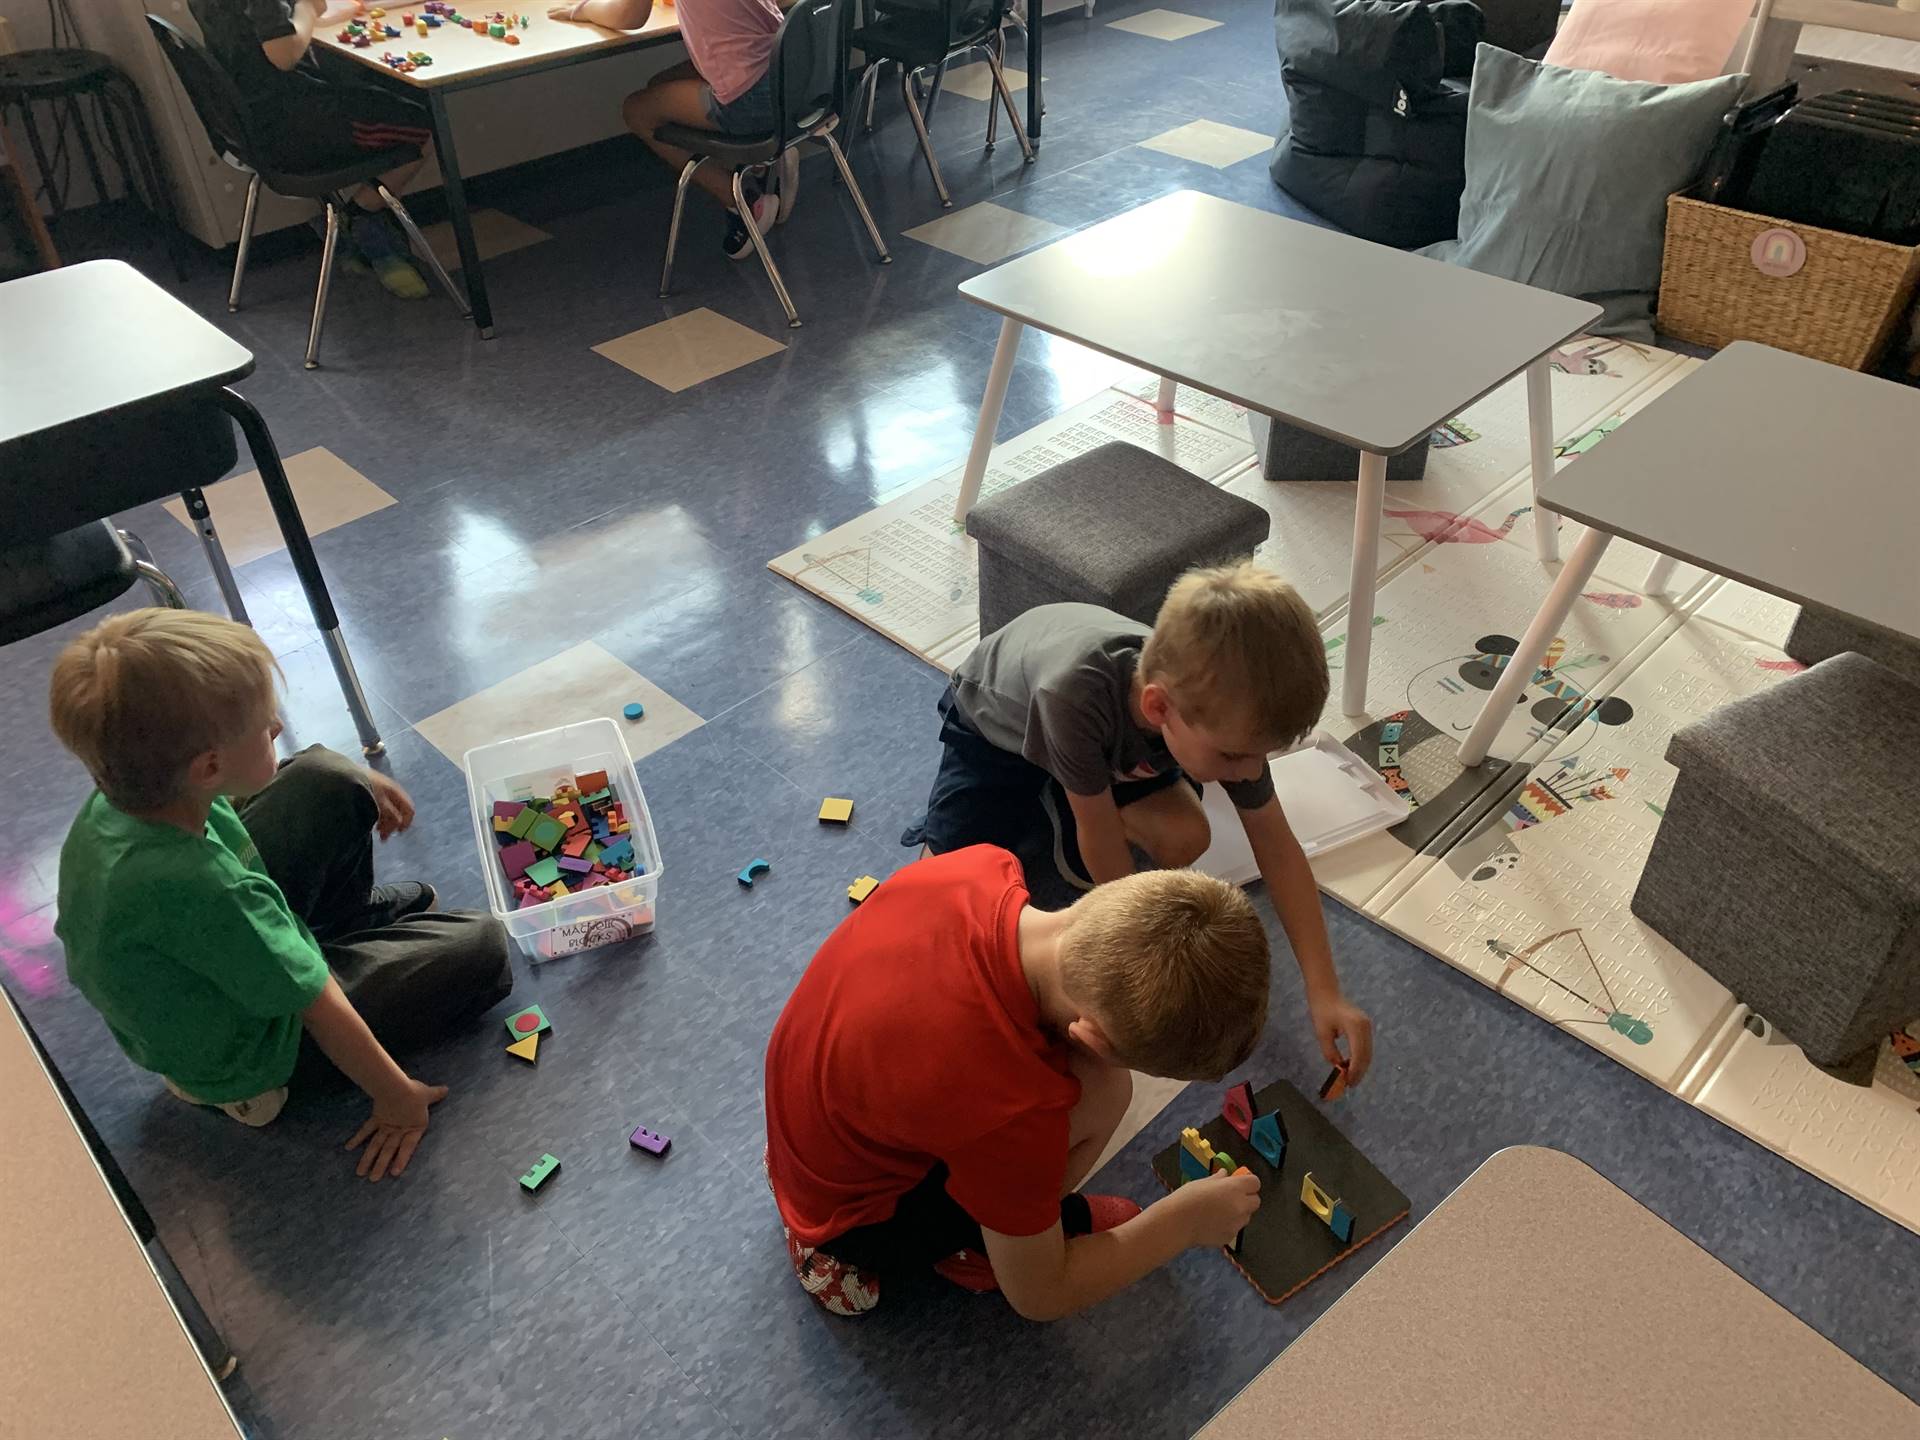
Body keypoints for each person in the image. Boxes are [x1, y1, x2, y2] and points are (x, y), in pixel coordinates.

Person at [49, 609, 512, 1182]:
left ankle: (334, 927)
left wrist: (353, 784)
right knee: (484, 944)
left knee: (329, 774)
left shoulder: (128, 799)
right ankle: (325, 950)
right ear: (210, 765)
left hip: (229, 955)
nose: (276, 723)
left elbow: (240, 810)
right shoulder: (203, 888)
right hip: (258, 1055)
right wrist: (397, 1097)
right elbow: (313, 1002)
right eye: (265, 724)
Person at [904, 562, 1375, 1085]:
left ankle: (1071, 794)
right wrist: (1134, 960)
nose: (1247, 773)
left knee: (1188, 836)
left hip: (1108, 750)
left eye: (1258, 756)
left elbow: (1279, 846)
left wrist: (1324, 989)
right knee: (940, 886)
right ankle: (1054, 797)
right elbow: (1100, 841)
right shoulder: (1073, 696)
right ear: (1158, 706)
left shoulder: (1216, 711)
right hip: (996, 731)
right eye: (1234, 757)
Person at [764, 847, 1270, 1317]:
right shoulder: (1010, 1108)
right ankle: (985, 1243)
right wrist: (1182, 1223)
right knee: (1104, 1092)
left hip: (812, 1111)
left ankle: (1010, 1221)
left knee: (1093, 1091)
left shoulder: (983, 867)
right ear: (1089, 1036)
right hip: (853, 1220)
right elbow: (1040, 1297)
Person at [191, 0, 438, 298]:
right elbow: (282, 54)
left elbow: (263, 31)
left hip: (253, 130)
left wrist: (322, 11)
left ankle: (352, 230)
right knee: (422, 123)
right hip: (295, 130)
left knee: (380, 93)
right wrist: (308, 7)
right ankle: (359, 219)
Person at [550, 0, 796, 260]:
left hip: (752, 100)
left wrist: (583, 9)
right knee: (660, 85)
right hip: (789, 73)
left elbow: (628, 16)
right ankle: (766, 160)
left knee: (637, 110)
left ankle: (745, 205)